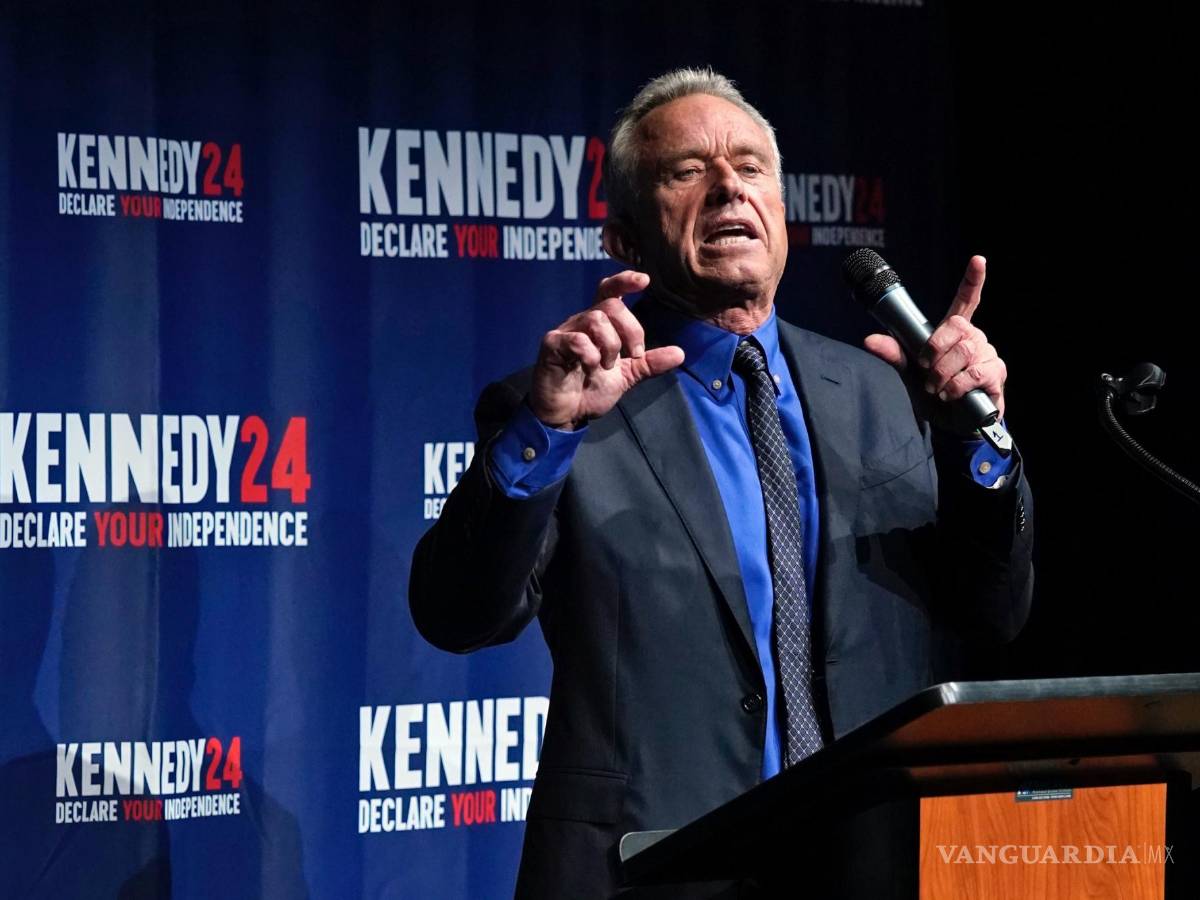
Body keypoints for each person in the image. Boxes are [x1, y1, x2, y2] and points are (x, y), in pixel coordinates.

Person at [409, 68, 1033, 899]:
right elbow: (458, 614)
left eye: (750, 166)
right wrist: (549, 431)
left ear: (780, 212)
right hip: (657, 870)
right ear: (626, 240)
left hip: (870, 862)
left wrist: (977, 445)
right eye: (686, 172)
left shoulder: (884, 390)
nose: (728, 185)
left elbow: (994, 610)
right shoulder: (564, 406)